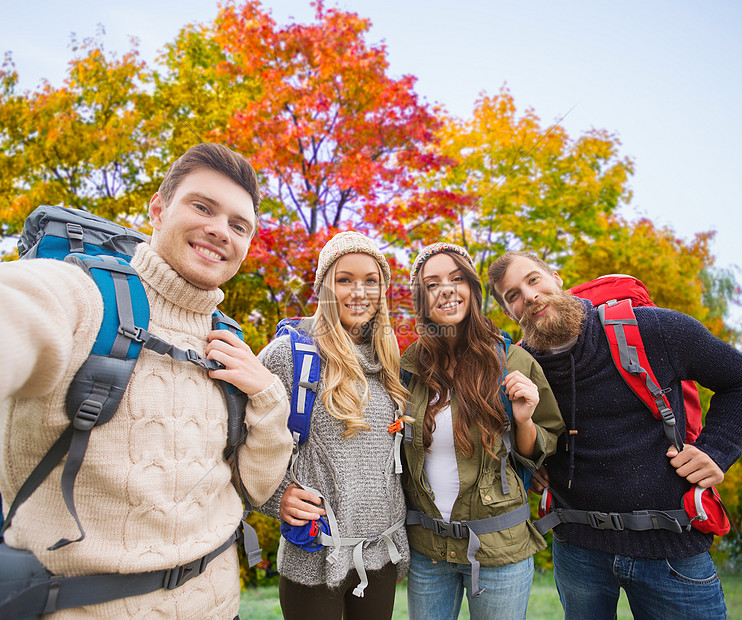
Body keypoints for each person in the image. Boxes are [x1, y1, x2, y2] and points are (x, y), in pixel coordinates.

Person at [0, 143, 294, 618]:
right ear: (157, 209)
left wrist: (267, 395)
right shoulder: (82, 294)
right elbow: (19, 309)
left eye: (239, 226)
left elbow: (258, 488)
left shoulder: (229, 340)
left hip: (220, 606)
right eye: (203, 206)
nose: (220, 230)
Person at [489, 250, 742, 620]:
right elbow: (511, 434)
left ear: (556, 277)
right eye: (512, 295)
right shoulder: (520, 366)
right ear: (509, 312)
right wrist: (530, 464)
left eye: (533, 280)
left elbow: (736, 380)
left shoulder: (652, 330)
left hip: (671, 547)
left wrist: (717, 451)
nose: (528, 296)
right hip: (577, 550)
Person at [402, 243, 564, 620]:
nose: (446, 289)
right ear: (421, 300)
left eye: (457, 279)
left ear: (472, 291)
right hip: (428, 551)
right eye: (432, 283)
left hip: (498, 550)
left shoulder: (513, 360)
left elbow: (543, 447)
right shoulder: (408, 369)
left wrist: (523, 420)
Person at [257, 231, 410, 620]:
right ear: (326, 287)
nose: (359, 292)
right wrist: (275, 498)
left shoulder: (390, 361)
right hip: (314, 555)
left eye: (370, 281)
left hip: (380, 554)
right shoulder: (291, 356)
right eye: (345, 279)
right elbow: (238, 443)